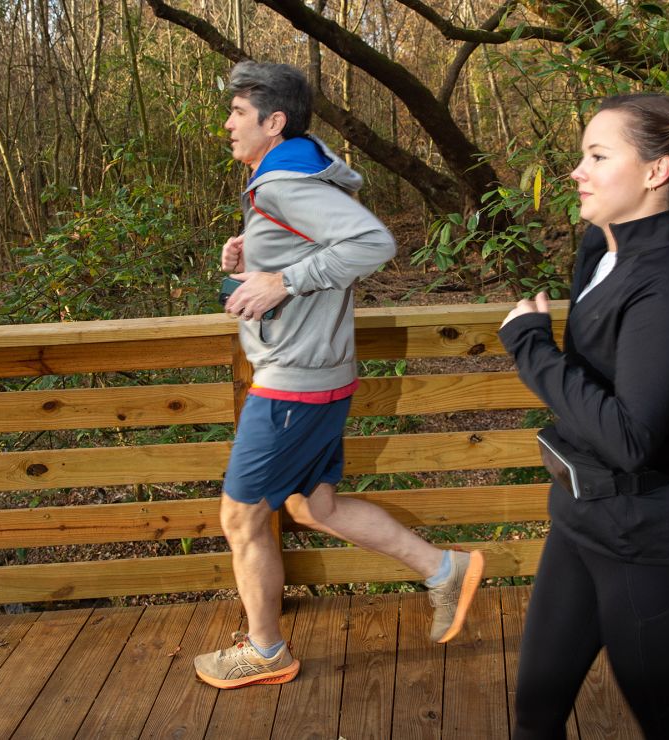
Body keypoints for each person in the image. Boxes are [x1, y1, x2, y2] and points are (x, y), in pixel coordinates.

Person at [497, 93, 669, 738]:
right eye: (581, 156)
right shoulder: (598, 255)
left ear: (655, 172)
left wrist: (531, 347)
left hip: (648, 541)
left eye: (598, 155)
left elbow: (631, 438)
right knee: (535, 719)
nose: (577, 171)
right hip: (579, 520)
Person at [193, 61, 485, 690]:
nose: (227, 123)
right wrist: (256, 254)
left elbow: (372, 244)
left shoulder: (283, 184)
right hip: (316, 375)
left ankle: (267, 652)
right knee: (311, 503)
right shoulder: (288, 176)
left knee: (241, 519)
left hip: (293, 383)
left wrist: (283, 279)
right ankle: (444, 570)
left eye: (238, 113)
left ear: (274, 122)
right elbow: (322, 244)